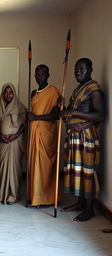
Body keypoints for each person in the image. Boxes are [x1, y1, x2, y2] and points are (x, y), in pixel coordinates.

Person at [60, 58, 104, 221]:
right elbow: (67, 115)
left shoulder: (94, 89)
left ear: (90, 69)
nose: (78, 72)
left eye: (82, 69)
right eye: (76, 69)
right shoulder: (78, 89)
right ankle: (80, 202)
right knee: (77, 172)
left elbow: (100, 115)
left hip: (86, 137)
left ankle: (90, 208)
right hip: (74, 137)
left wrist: (74, 114)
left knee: (88, 171)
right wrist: (64, 108)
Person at [28, 64, 60, 207]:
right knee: (34, 165)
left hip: (47, 135)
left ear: (48, 75)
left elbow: (56, 115)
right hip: (34, 133)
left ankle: (47, 199)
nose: (39, 77)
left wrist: (36, 118)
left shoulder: (53, 91)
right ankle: (34, 197)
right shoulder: (33, 93)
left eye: (42, 74)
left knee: (44, 167)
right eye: (37, 74)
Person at [0, 83, 27, 204]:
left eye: (11, 92)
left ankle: (14, 195)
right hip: (3, 142)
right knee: (3, 168)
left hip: (15, 142)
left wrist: (15, 135)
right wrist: (0, 136)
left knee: (15, 169)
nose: (8, 95)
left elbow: (25, 124)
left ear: (14, 94)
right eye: (6, 92)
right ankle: (3, 194)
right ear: (2, 93)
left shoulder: (20, 107)